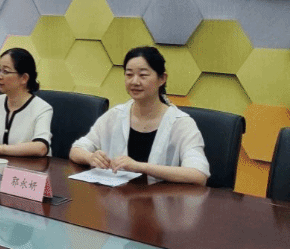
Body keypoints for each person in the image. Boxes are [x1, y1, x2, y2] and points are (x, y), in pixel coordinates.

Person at [69, 46, 209, 185]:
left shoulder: (181, 123)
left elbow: (198, 174)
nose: (134, 82)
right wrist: (91, 157)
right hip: (117, 196)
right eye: (129, 75)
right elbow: (76, 150)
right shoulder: (115, 115)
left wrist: (141, 167)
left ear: (162, 79)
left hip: (163, 198)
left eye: (143, 75)